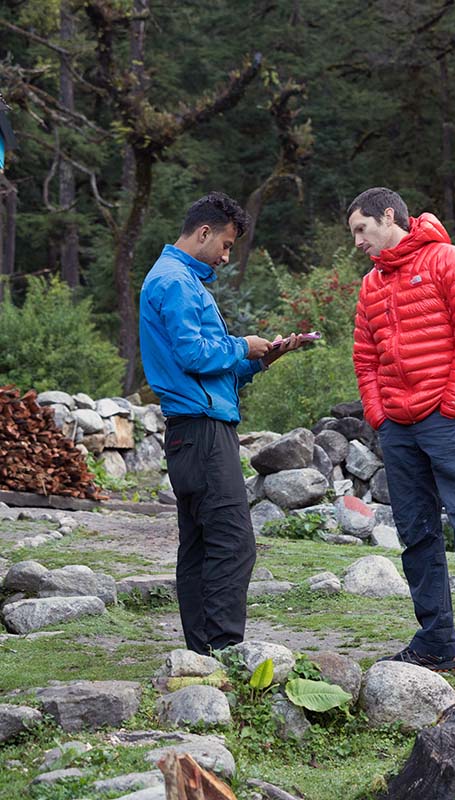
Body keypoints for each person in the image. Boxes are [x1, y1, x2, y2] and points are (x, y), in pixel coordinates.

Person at [348, 187, 455, 675]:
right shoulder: (371, 285)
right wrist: (378, 414)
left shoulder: (451, 261)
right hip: (397, 426)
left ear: (388, 216)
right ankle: (436, 643)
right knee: (416, 534)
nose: (358, 241)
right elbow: (365, 356)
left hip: (448, 419)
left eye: (362, 229)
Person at [139, 191, 305, 655]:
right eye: (227, 245)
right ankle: (224, 650)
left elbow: (206, 369)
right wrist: (241, 346)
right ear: (204, 232)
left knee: (201, 545)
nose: (227, 256)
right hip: (201, 432)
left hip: (193, 431)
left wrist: (261, 359)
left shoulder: (183, 280)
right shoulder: (174, 282)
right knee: (234, 544)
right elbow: (194, 355)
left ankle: (201, 652)